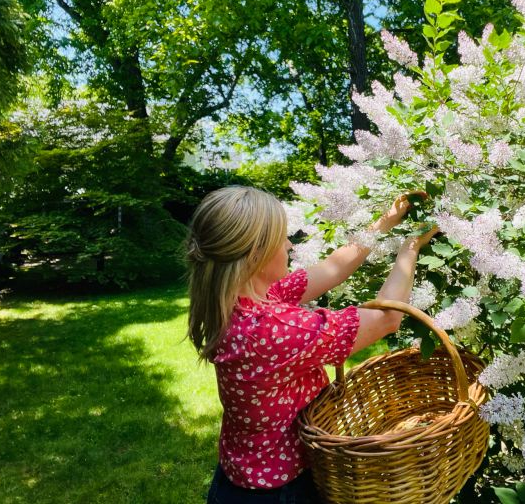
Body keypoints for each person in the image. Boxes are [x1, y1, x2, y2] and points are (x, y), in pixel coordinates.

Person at [185, 185, 438, 504]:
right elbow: (387, 317)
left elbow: (334, 267)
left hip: (238, 479)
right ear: (255, 256)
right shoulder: (274, 331)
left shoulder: (244, 300)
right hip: (280, 491)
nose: (289, 245)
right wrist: (411, 246)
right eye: (282, 239)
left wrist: (387, 220)